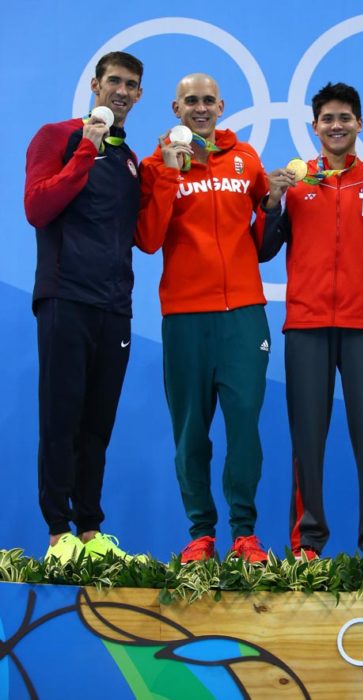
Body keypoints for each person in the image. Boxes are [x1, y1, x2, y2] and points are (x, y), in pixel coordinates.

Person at [257, 82, 363, 559]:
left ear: (359, 123)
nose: (336, 126)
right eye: (327, 119)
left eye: (344, 118)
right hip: (307, 325)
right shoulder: (297, 184)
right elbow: (264, 249)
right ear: (314, 127)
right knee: (308, 440)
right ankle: (307, 543)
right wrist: (272, 202)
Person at [135, 73, 271, 564]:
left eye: (208, 100)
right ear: (175, 107)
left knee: (244, 430)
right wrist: (170, 173)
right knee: (191, 431)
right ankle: (201, 533)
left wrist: (273, 200)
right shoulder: (156, 164)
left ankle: (245, 534)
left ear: (222, 106)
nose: (200, 107)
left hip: (243, 317)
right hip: (186, 317)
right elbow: (148, 239)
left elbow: (266, 226)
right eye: (190, 100)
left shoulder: (246, 159)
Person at [24, 51, 145, 564]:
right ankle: (58, 533)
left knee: (98, 424)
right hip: (64, 298)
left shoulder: (130, 158)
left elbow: (142, 237)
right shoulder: (57, 136)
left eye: (131, 85)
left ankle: (90, 533)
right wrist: (84, 151)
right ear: (95, 84)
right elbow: (37, 207)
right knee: (62, 418)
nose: (121, 91)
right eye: (113, 81)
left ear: (139, 95)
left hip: (114, 306)